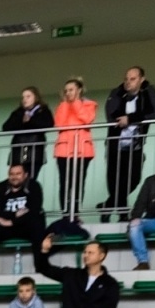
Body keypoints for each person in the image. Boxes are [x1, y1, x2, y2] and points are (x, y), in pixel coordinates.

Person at [99, 66, 155, 221]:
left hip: (135, 145)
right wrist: (125, 119)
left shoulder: (148, 92)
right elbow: (110, 115)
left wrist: (130, 119)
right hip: (115, 145)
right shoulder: (116, 93)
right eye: (126, 78)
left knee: (133, 180)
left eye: (132, 79)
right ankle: (122, 215)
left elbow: (153, 113)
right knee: (115, 182)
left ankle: (108, 205)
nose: (128, 82)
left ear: (142, 79)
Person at [35, 235, 121, 308]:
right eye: (85, 252)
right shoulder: (71, 274)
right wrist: (44, 250)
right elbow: (44, 268)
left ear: (101, 256)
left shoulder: (110, 283)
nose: (86, 255)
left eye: (90, 253)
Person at [0, 163, 44, 275]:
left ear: (25, 175)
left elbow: (34, 211)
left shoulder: (34, 186)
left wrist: (11, 221)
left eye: (18, 174)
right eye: (11, 174)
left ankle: (41, 268)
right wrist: (15, 215)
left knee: (37, 223)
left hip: (25, 227)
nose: (14, 177)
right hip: (6, 228)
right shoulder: (0, 187)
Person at [52, 78, 96, 223]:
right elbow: (59, 123)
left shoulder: (89, 104)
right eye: (66, 91)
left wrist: (76, 103)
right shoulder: (62, 106)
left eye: (71, 90)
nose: (68, 93)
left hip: (82, 149)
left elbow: (86, 119)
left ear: (79, 90)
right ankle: (65, 214)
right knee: (64, 183)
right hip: (64, 149)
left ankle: (75, 214)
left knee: (78, 183)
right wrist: (66, 103)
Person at [2, 86, 54, 183]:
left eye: (28, 96)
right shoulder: (18, 112)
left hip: (35, 153)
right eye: (23, 97)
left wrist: (30, 121)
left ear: (36, 97)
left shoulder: (43, 111)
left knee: (30, 181)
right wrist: (21, 121)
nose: (25, 99)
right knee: (16, 180)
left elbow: (48, 124)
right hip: (18, 153)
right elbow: (6, 127)